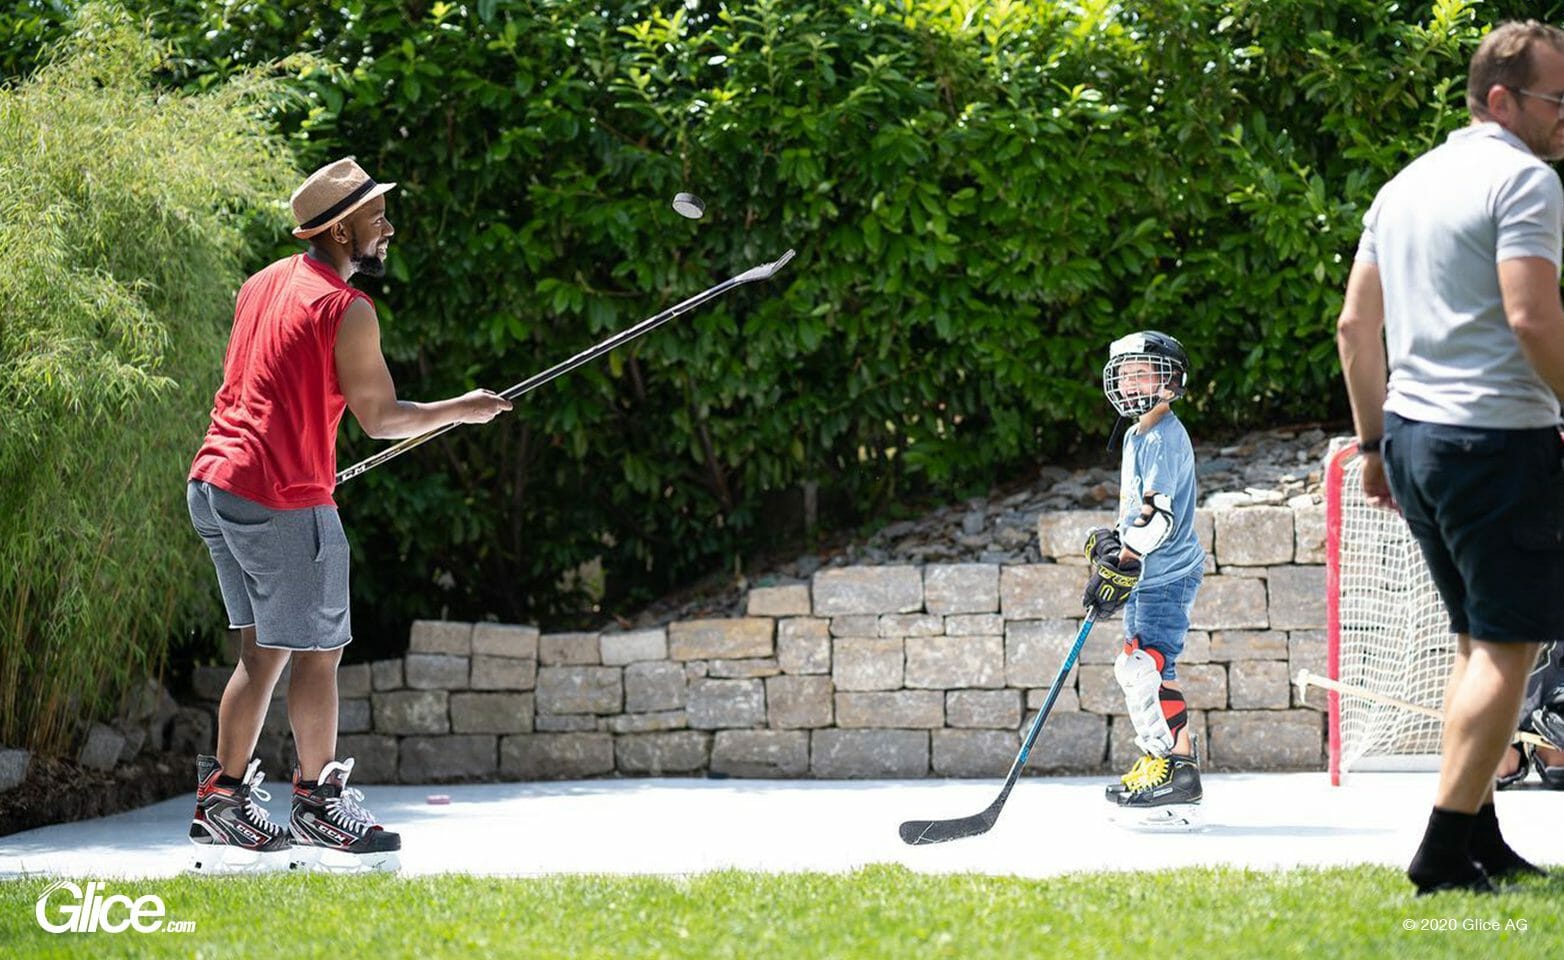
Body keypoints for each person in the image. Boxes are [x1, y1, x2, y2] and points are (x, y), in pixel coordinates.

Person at [185, 157, 512, 872]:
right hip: (279, 497)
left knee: (263, 650)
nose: (387, 227)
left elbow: (278, 388)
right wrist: (466, 408)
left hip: (215, 482)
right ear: (340, 228)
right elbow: (381, 417)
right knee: (318, 652)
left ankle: (222, 801)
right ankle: (316, 803)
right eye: (375, 215)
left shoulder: (263, 281)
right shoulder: (347, 308)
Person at [1336, 20, 1564, 893]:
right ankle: (1440, 854)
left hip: (1418, 443)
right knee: (1506, 646)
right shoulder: (1526, 180)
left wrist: (1372, 444)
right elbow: (1534, 318)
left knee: (1477, 646)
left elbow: (1356, 327)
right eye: (1555, 99)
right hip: (1496, 442)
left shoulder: (1404, 187)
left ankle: (1480, 836)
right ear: (1501, 97)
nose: (1563, 118)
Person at [1081, 330, 1207, 828]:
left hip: (1165, 574)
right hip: (1149, 573)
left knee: (1143, 668)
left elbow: (1158, 518)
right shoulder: (1138, 433)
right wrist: (1113, 542)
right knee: (1147, 668)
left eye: (1143, 372)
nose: (1131, 381)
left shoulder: (1162, 437)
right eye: (1126, 373)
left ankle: (1174, 770)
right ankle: (1170, 766)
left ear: (1170, 382)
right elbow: (1134, 510)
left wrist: (1127, 557)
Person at [1496, 640, 1564, 788]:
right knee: (1496, 768)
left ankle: (1545, 744)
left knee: (1558, 765)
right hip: (1510, 691)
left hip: (1556, 692)